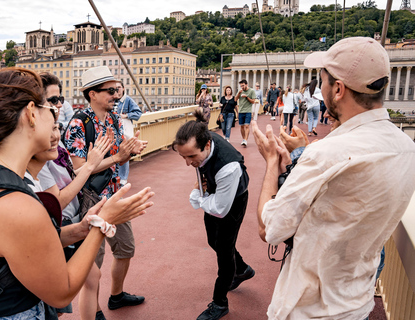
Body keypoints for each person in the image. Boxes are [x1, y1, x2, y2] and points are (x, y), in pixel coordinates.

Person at [0, 68, 154, 319]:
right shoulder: (16, 206)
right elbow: (62, 292)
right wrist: (103, 223)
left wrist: (81, 228)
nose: (56, 115)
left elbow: (22, 245)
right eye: (50, 109)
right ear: (30, 113)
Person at [251, 37, 415, 319]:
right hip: (356, 303)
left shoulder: (326, 153)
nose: (319, 87)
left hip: (308, 310)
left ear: (338, 89)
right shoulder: (407, 148)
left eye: (322, 80)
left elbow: (272, 229)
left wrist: (271, 164)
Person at [65, 66, 148, 313]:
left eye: (117, 90)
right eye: (110, 91)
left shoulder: (113, 119)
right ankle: (96, 311)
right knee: (93, 262)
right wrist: (117, 158)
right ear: (92, 94)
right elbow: (80, 170)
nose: (116, 95)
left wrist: (129, 150)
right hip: (91, 201)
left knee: (126, 248)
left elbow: (119, 158)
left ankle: (117, 295)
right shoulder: (79, 123)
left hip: (113, 194)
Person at [36, 72, 115, 320]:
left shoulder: (53, 146)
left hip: (69, 220)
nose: (59, 104)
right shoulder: (39, 151)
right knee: (57, 297)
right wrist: (92, 165)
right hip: (57, 223)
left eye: (60, 98)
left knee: (91, 277)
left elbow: (70, 177)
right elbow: (56, 199)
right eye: (53, 99)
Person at [172, 110, 253, 320]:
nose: (188, 163)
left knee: (224, 251)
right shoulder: (201, 141)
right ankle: (242, 269)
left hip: (233, 201)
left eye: (191, 156)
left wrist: (197, 196)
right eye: (183, 156)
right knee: (213, 241)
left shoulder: (229, 167)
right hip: (213, 193)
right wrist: (203, 192)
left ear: (207, 145)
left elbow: (220, 209)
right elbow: (211, 201)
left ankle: (220, 303)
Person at [114, 81, 142, 185]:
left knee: (124, 152)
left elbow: (138, 114)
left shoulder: (127, 100)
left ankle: (123, 178)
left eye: (119, 87)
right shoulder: (111, 100)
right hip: (114, 132)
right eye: (114, 88)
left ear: (123, 88)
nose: (117, 90)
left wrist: (126, 116)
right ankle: (116, 176)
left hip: (124, 132)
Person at [234, 79, 256, 146]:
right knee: (242, 126)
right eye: (241, 86)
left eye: (243, 85)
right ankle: (243, 139)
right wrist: (239, 93)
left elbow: (253, 101)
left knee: (247, 125)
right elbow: (235, 99)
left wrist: (247, 97)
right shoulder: (240, 91)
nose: (242, 87)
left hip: (248, 111)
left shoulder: (251, 91)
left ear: (246, 84)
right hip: (241, 111)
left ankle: (246, 140)